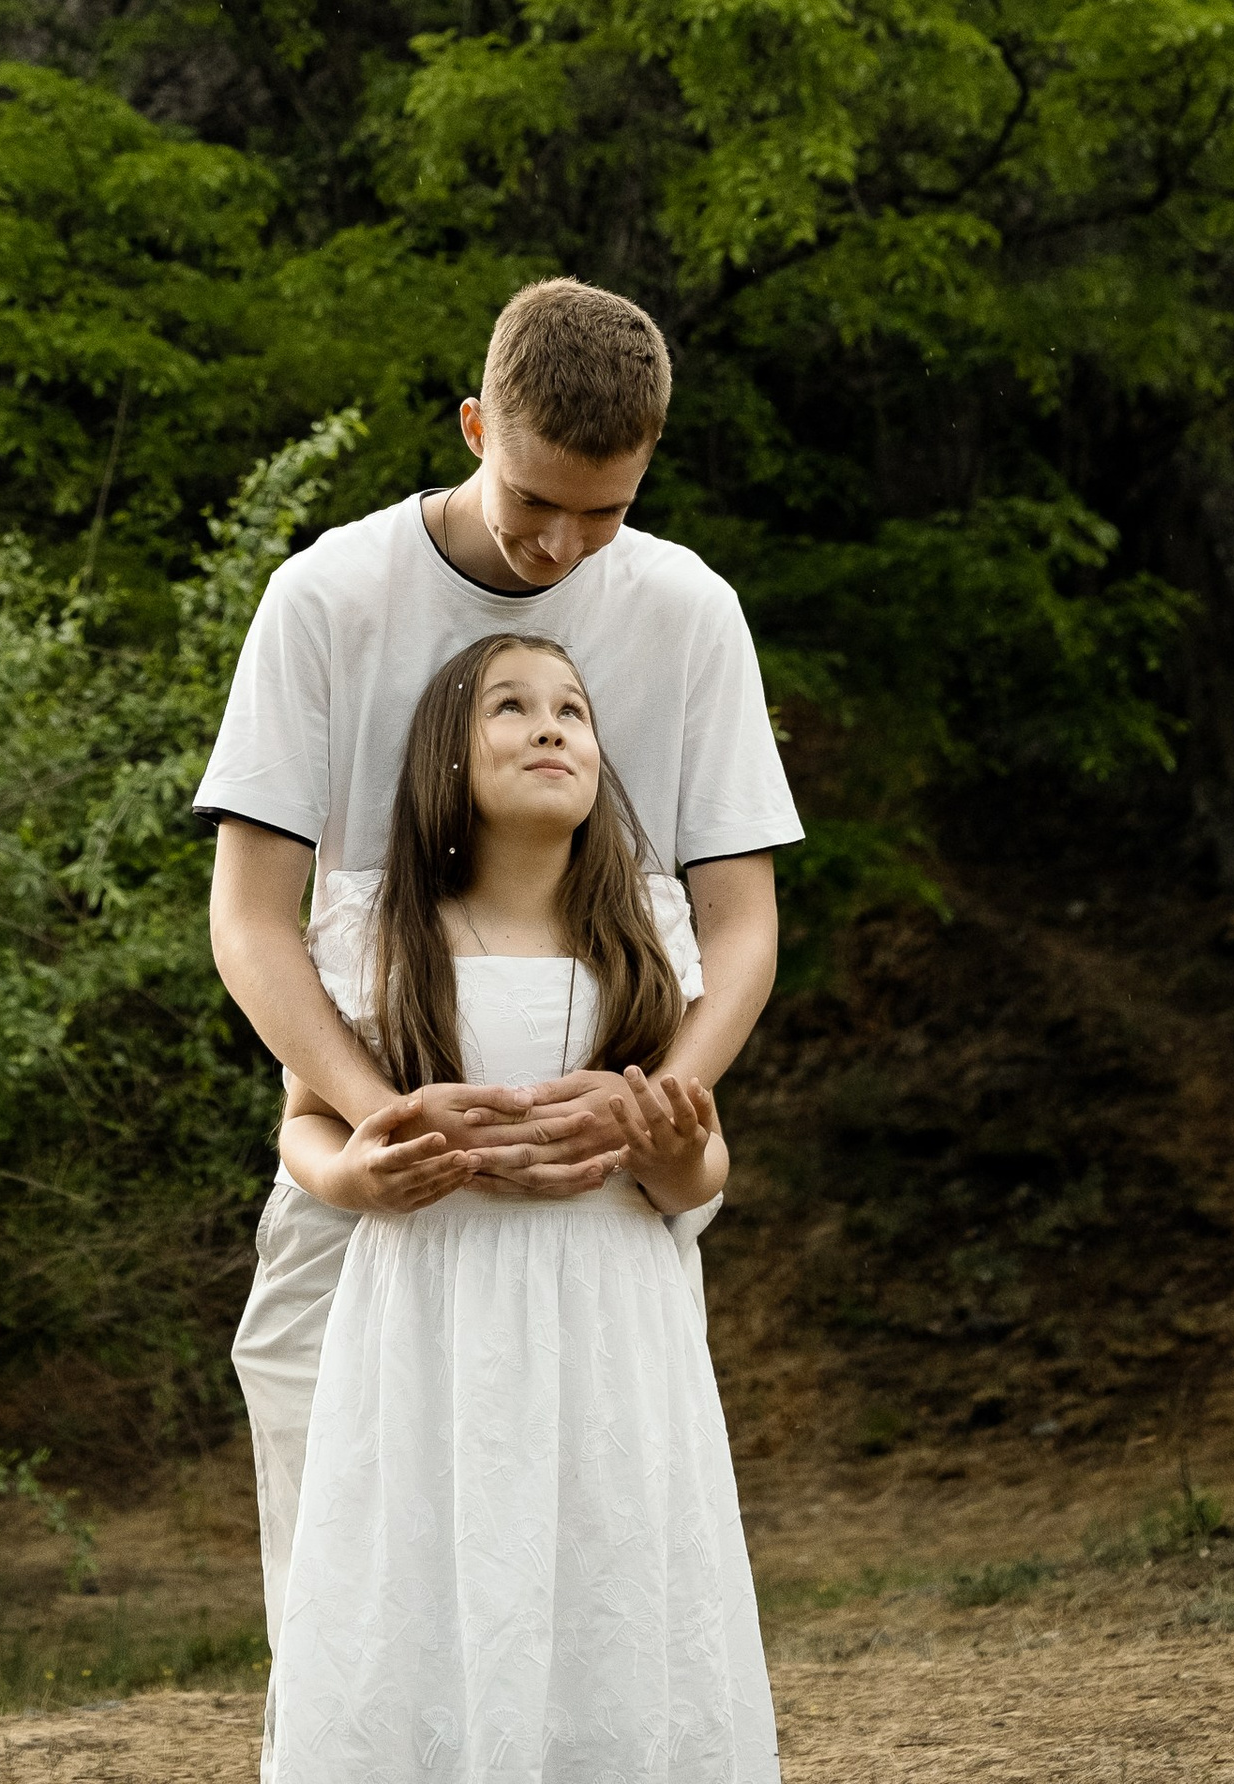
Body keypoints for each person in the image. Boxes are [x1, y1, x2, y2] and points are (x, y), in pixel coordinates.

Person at [196, 274, 802, 1671]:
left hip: (596, 1208)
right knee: (354, 1596)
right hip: (365, 1173)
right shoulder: (327, 599)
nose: (566, 545)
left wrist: (652, 1102)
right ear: (476, 425)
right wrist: (370, 1120)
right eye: (537, 500)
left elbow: (745, 926)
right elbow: (249, 920)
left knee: (600, 1573)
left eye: (609, 511)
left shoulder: (690, 612)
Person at [266, 631, 777, 1783]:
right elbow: (304, 1123)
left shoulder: (645, 941)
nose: (551, 727)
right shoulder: (375, 934)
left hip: (612, 1318)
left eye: (574, 712)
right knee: (436, 1567)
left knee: (609, 1568)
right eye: (510, 708)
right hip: (429, 1315)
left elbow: (698, 1177)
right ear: (444, 756)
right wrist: (353, 1177)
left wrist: (679, 1151)